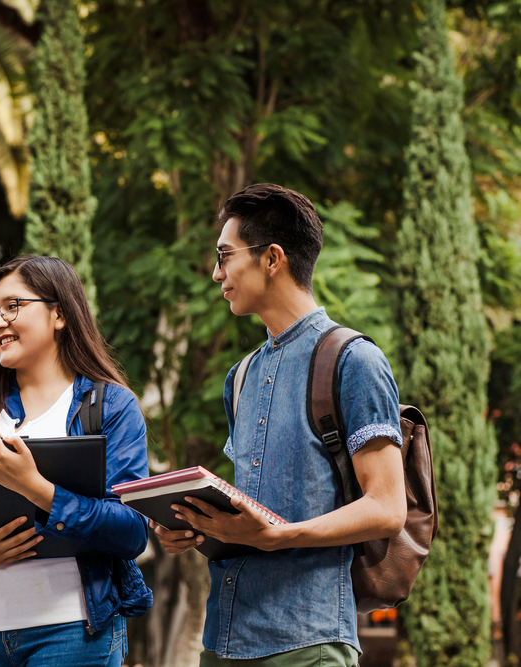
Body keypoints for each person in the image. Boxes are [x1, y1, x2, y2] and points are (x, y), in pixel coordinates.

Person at [154, 184, 407, 666]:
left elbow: (387, 507)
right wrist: (192, 527)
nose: (216, 274)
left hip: (306, 642)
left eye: (225, 256)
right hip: (223, 639)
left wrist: (280, 535)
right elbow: (255, 506)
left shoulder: (355, 360)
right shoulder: (241, 376)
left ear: (272, 258)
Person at [0, 255, 152, 667]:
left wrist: (35, 488)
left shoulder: (109, 406)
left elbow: (131, 531)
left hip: (73, 632)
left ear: (59, 314)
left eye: (13, 306)